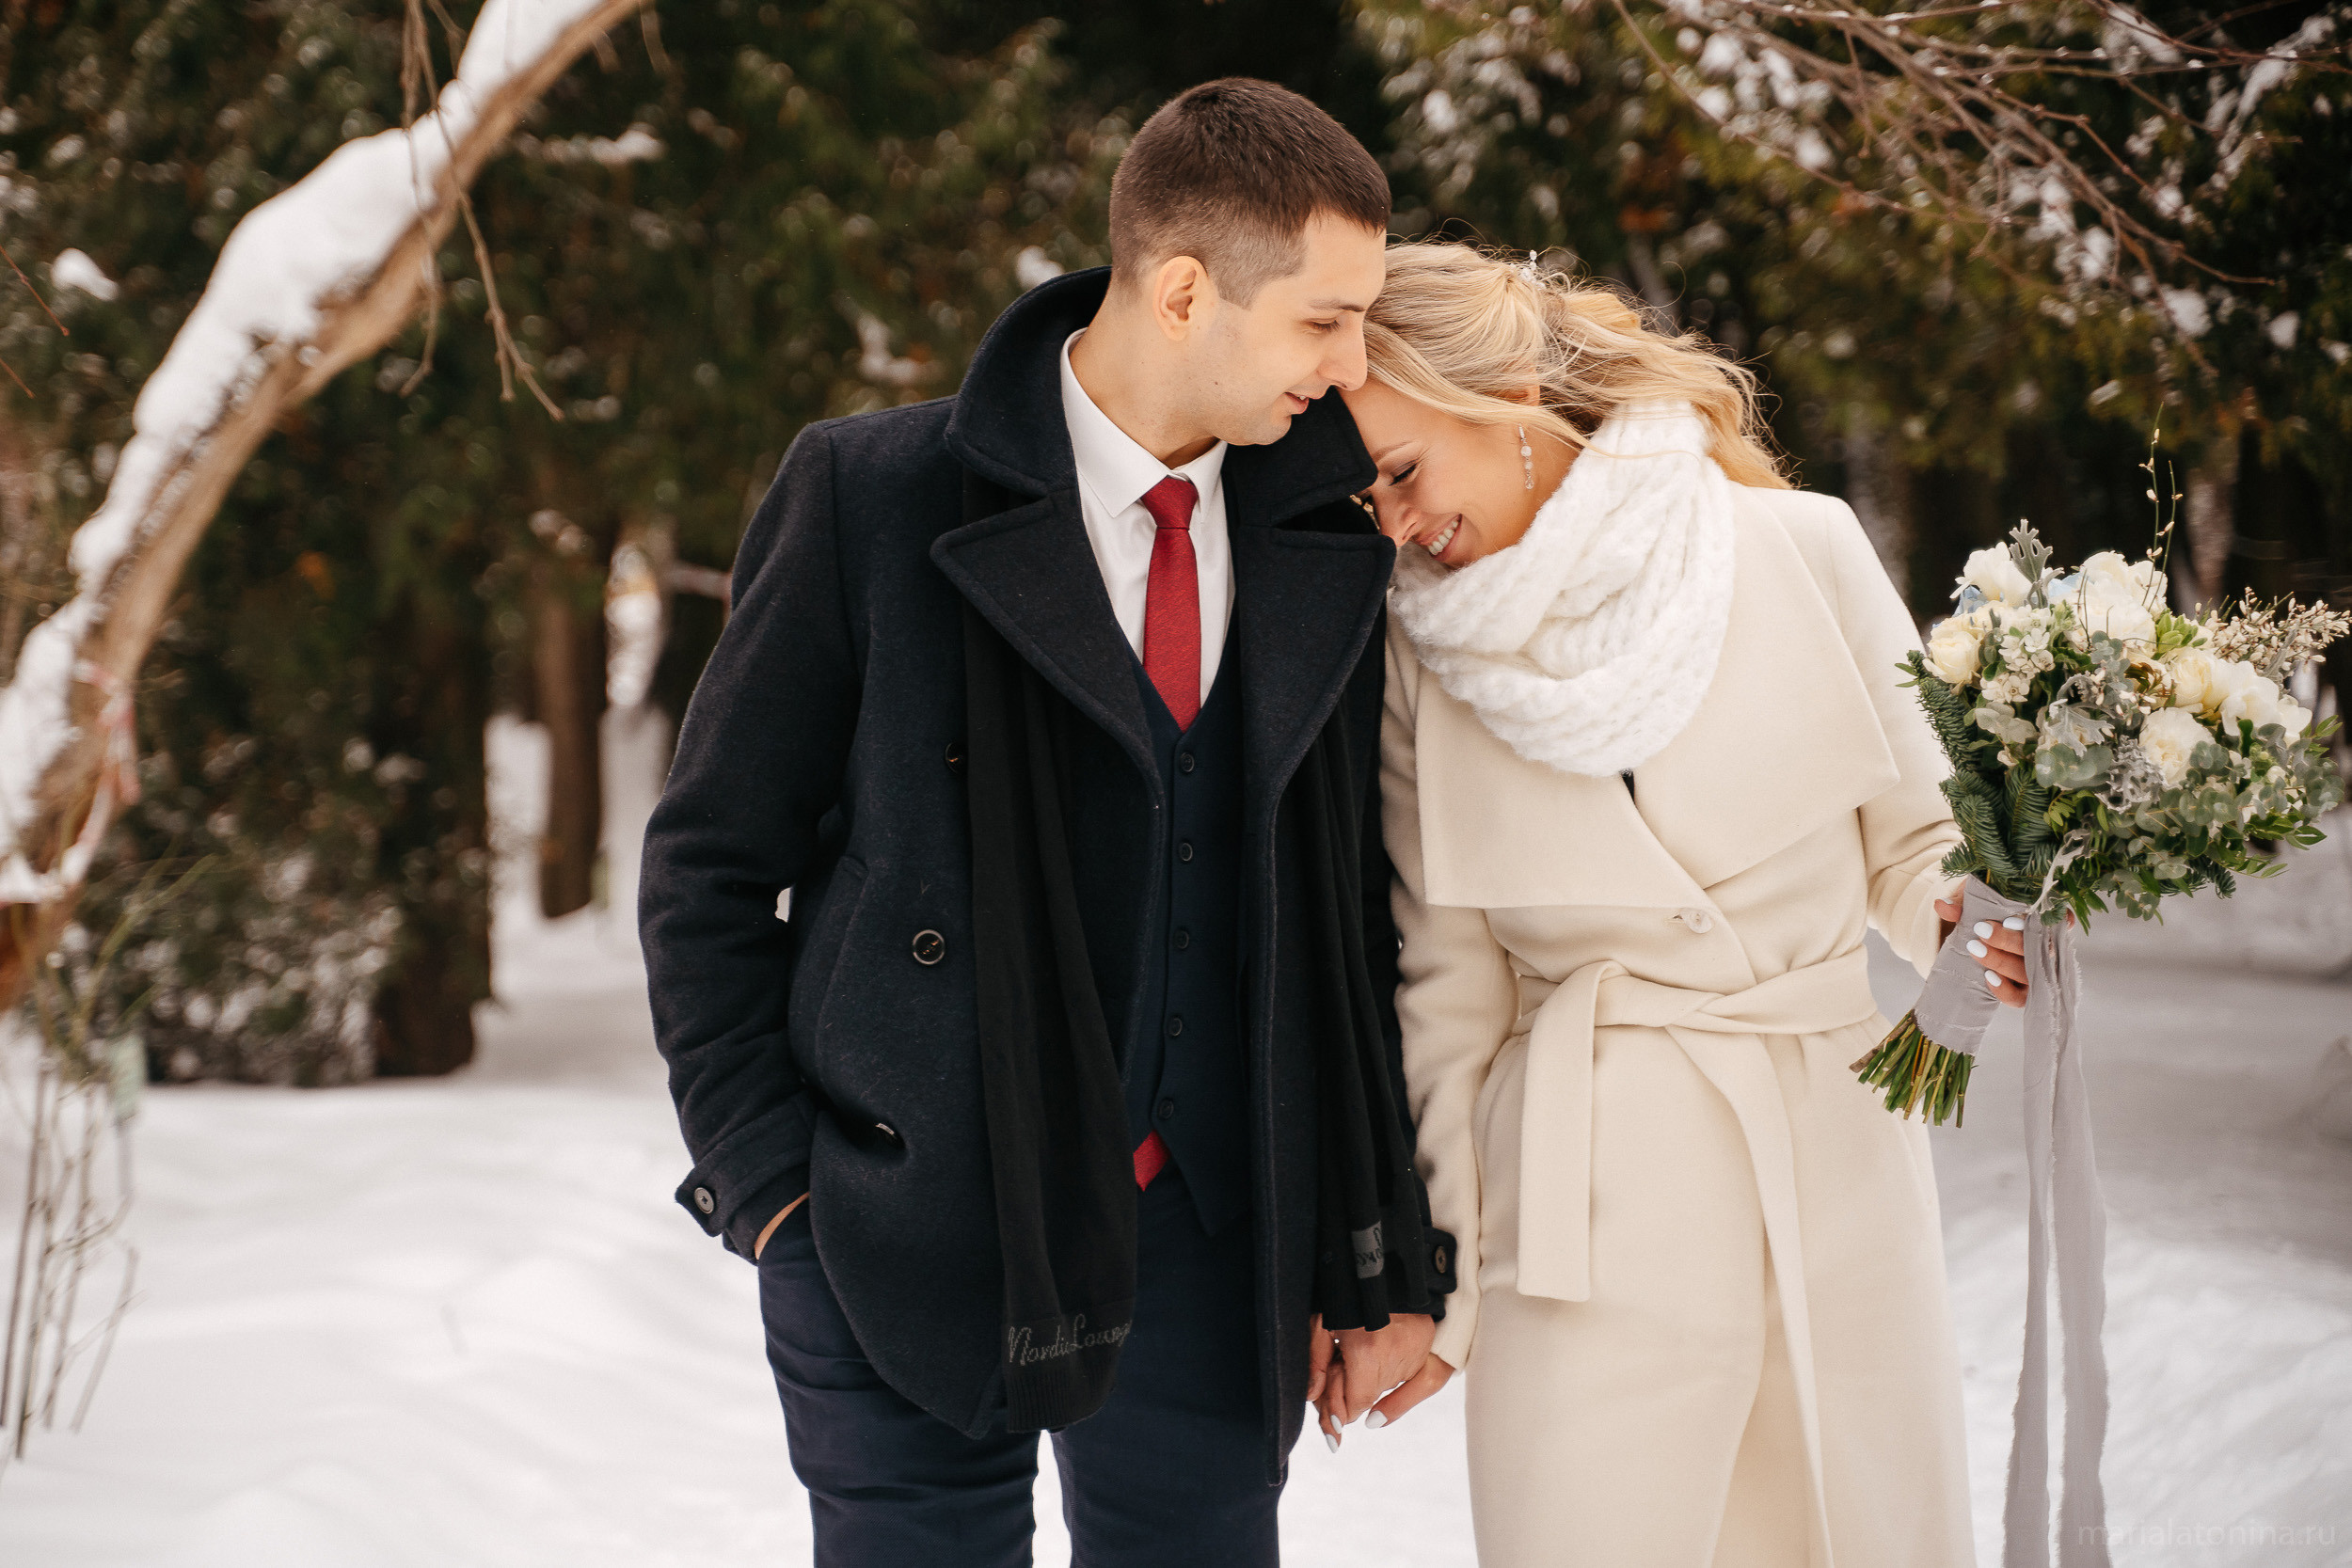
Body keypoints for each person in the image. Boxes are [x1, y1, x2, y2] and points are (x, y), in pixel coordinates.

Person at [638, 80, 1454, 1568]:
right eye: (1324, 322)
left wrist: (1375, 1251)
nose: (1350, 367)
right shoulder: (873, 496)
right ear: (1188, 290)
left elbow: (1347, 921)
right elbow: (708, 864)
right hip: (908, 1220)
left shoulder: (1325, 537)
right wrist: (772, 1193)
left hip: (1211, 1236)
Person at [1327, 241, 2015, 1566]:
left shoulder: (1798, 546)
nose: (1397, 527)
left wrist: (1974, 926)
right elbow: (1450, 991)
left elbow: (1928, 833)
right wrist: (1439, 1290)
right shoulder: (1420, 662)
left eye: (1403, 473)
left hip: (1835, 1159)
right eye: (1370, 505)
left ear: (1510, 390)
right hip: (1582, 1210)